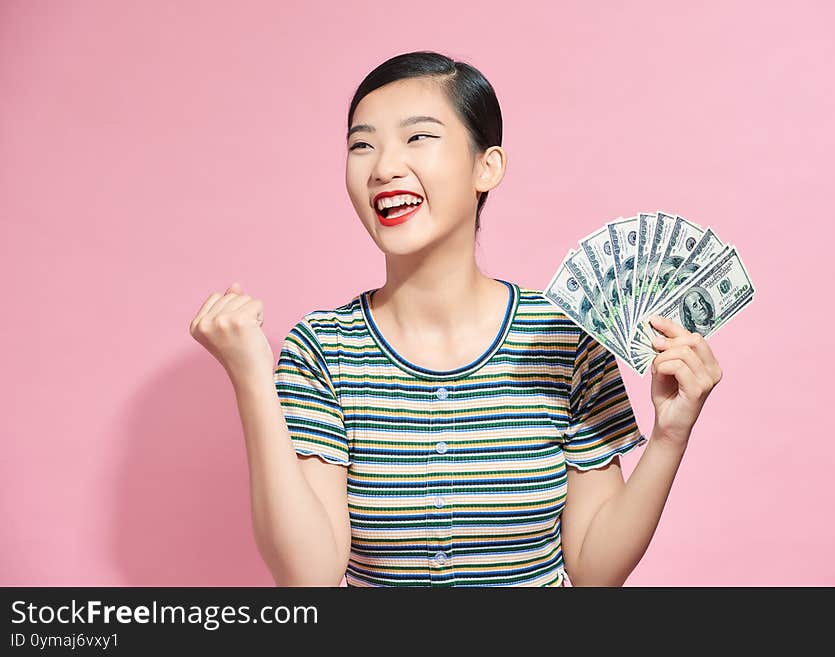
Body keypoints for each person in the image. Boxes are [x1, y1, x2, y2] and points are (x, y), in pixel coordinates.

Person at [189, 50, 724, 587]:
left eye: (417, 137)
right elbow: (309, 580)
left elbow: (593, 570)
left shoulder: (564, 337)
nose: (383, 167)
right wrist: (251, 377)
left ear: (486, 166)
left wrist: (670, 437)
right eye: (362, 144)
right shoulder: (322, 348)